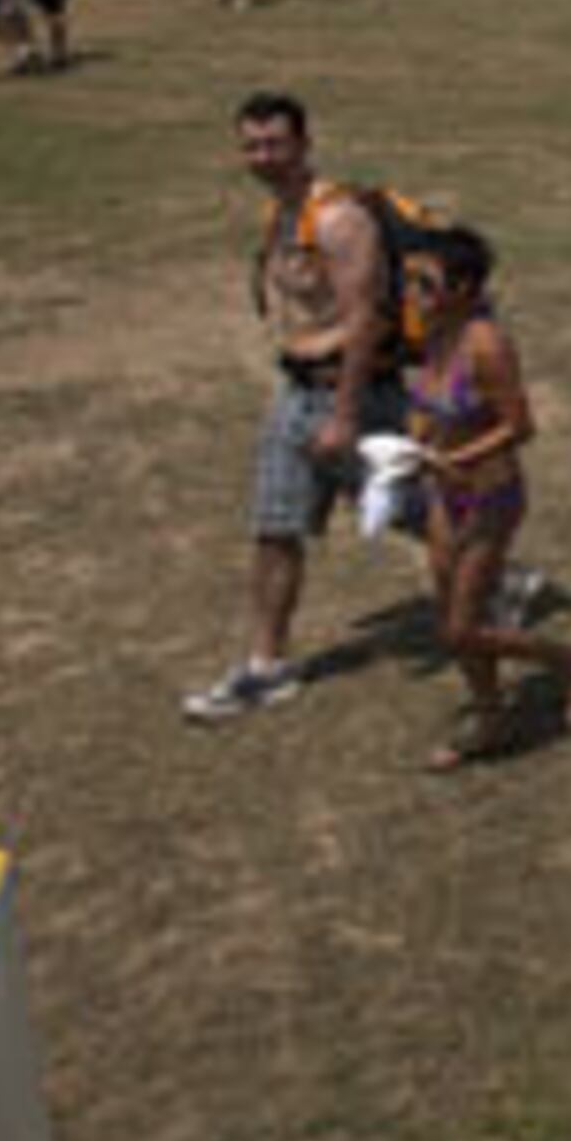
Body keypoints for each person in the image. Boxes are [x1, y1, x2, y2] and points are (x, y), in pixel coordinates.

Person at [183, 94, 410, 720]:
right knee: (275, 528)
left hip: (351, 395)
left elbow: (366, 320)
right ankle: (267, 666)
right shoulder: (280, 215)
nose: (262, 157)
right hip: (297, 392)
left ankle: (499, 582)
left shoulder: (338, 220)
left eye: (275, 144)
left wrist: (344, 414)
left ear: (305, 145)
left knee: (418, 510)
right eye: (251, 145)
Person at [402, 227, 571, 768]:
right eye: (412, 282)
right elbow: (428, 402)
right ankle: (490, 715)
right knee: (454, 618)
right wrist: (412, 444)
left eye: (425, 284)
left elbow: (520, 426)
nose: (414, 294)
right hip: (442, 493)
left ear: (465, 288)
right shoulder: (435, 331)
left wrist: (462, 457)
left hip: (490, 498)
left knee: (462, 627)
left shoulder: (486, 345)